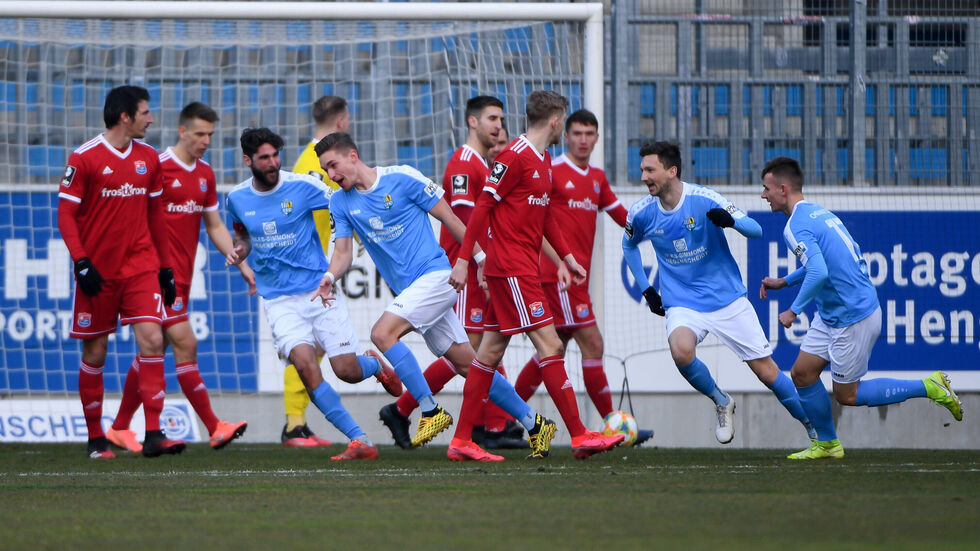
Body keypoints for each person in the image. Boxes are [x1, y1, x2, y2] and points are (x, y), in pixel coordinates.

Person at [315, 132, 558, 461]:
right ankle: (534, 423)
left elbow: (452, 219)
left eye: (334, 165)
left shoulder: (403, 178)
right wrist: (330, 276)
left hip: (436, 277)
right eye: (325, 170)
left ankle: (429, 410)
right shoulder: (340, 202)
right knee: (467, 365)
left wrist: (481, 260)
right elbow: (343, 253)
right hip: (412, 291)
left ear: (353, 156)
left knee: (381, 333)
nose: (331, 175)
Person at [450, 90, 625, 459]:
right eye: (565, 122)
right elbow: (482, 207)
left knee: (488, 354)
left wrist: (566, 258)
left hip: (520, 267)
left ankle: (462, 439)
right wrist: (466, 260)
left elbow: (544, 217)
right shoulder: (514, 156)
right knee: (551, 345)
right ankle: (579, 435)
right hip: (511, 269)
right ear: (556, 121)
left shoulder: (544, 159)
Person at [759, 156, 963, 459]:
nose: (763, 195)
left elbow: (819, 272)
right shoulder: (818, 213)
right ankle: (828, 444)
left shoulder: (794, 226)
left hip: (852, 316)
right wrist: (785, 282)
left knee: (847, 395)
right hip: (834, 312)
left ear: (783, 189)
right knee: (802, 373)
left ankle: (929, 385)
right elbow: (825, 262)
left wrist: (794, 310)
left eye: (766, 189)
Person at [225, 128, 403, 461]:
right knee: (305, 367)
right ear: (248, 161)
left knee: (347, 371)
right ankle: (359, 440)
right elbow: (244, 237)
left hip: (318, 292)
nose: (273, 162)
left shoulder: (303, 186)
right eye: (264, 157)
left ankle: (373, 366)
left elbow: (345, 198)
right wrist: (240, 251)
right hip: (279, 301)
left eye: (276, 154)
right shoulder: (236, 198)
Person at [622, 141, 816, 445]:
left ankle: (814, 427)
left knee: (767, 374)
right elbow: (628, 245)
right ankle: (721, 400)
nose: (644, 176)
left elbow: (756, 229)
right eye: (643, 169)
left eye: (650, 169)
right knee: (681, 350)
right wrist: (647, 289)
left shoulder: (703, 199)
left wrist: (732, 221)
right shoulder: (642, 212)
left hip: (727, 299)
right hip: (683, 302)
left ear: (671, 171)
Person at [377, 95, 525, 450]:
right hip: (462, 272)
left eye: (502, 121)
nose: (499, 127)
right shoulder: (463, 165)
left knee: (479, 350)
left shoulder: (479, 165)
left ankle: (489, 424)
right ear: (472, 122)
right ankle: (409, 408)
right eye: (492, 119)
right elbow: (464, 221)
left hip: (476, 268)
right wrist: (478, 263)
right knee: (470, 351)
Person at [105, 102, 251, 454]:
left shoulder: (204, 173)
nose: (205, 141)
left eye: (211, 135)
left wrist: (238, 259)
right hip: (152, 275)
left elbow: (213, 223)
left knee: (153, 351)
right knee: (185, 343)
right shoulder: (157, 166)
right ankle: (215, 426)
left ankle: (121, 427)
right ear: (182, 131)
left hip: (180, 278)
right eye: (200, 134)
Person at [511, 108, 654, 447]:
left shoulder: (597, 178)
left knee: (549, 352)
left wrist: (657, 225)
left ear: (597, 138)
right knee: (589, 343)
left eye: (590, 134)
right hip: (555, 277)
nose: (583, 140)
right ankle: (611, 425)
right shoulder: (553, 171)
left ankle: (502, 420)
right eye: (577, 133)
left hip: (575, 279)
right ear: (566, 135)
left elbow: (621, 215)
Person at [57, 85, 184, 459]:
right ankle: (97, 438)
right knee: (95, 352)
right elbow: (66, 215)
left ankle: (155, 433)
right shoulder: (84, 158)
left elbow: (156, 215)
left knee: (153, 340)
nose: (151, 118)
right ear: (125, 116)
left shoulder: (149, 158)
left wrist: (165, 268)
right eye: (145, 112)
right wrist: (81, 261)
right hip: (97, 271)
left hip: (140, 267)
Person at [280, 95, 354, 447]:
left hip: (315, 265)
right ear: (340, 120)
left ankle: (298, 423)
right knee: (307, 345)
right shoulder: (324, 160)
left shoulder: (302, 161)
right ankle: (293, 425)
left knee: (318, 346)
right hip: (309, 268)